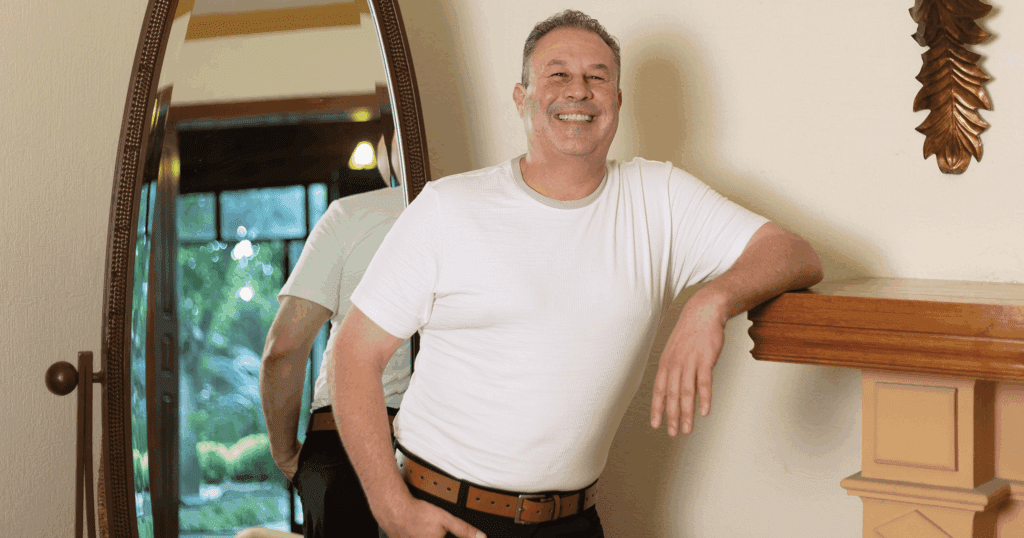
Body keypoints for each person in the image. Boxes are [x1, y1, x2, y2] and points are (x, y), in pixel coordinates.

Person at [331, 10, 824, 538]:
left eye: (597, 77)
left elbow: (794, 253)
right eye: (558, 74)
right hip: (445, 514)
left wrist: (712, 302)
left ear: (617, 101)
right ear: (521, 98)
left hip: (574, 522)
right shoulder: (448, 208)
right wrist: (392, 508)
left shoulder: (658, 198)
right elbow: (353, 353)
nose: (579, 91)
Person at [259, 119, 410, 537]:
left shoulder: (351, 215)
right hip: (447, 451)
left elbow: (283, 349)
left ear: (386, 153)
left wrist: (285, 453)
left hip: (342, 439)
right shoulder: (476, 216)